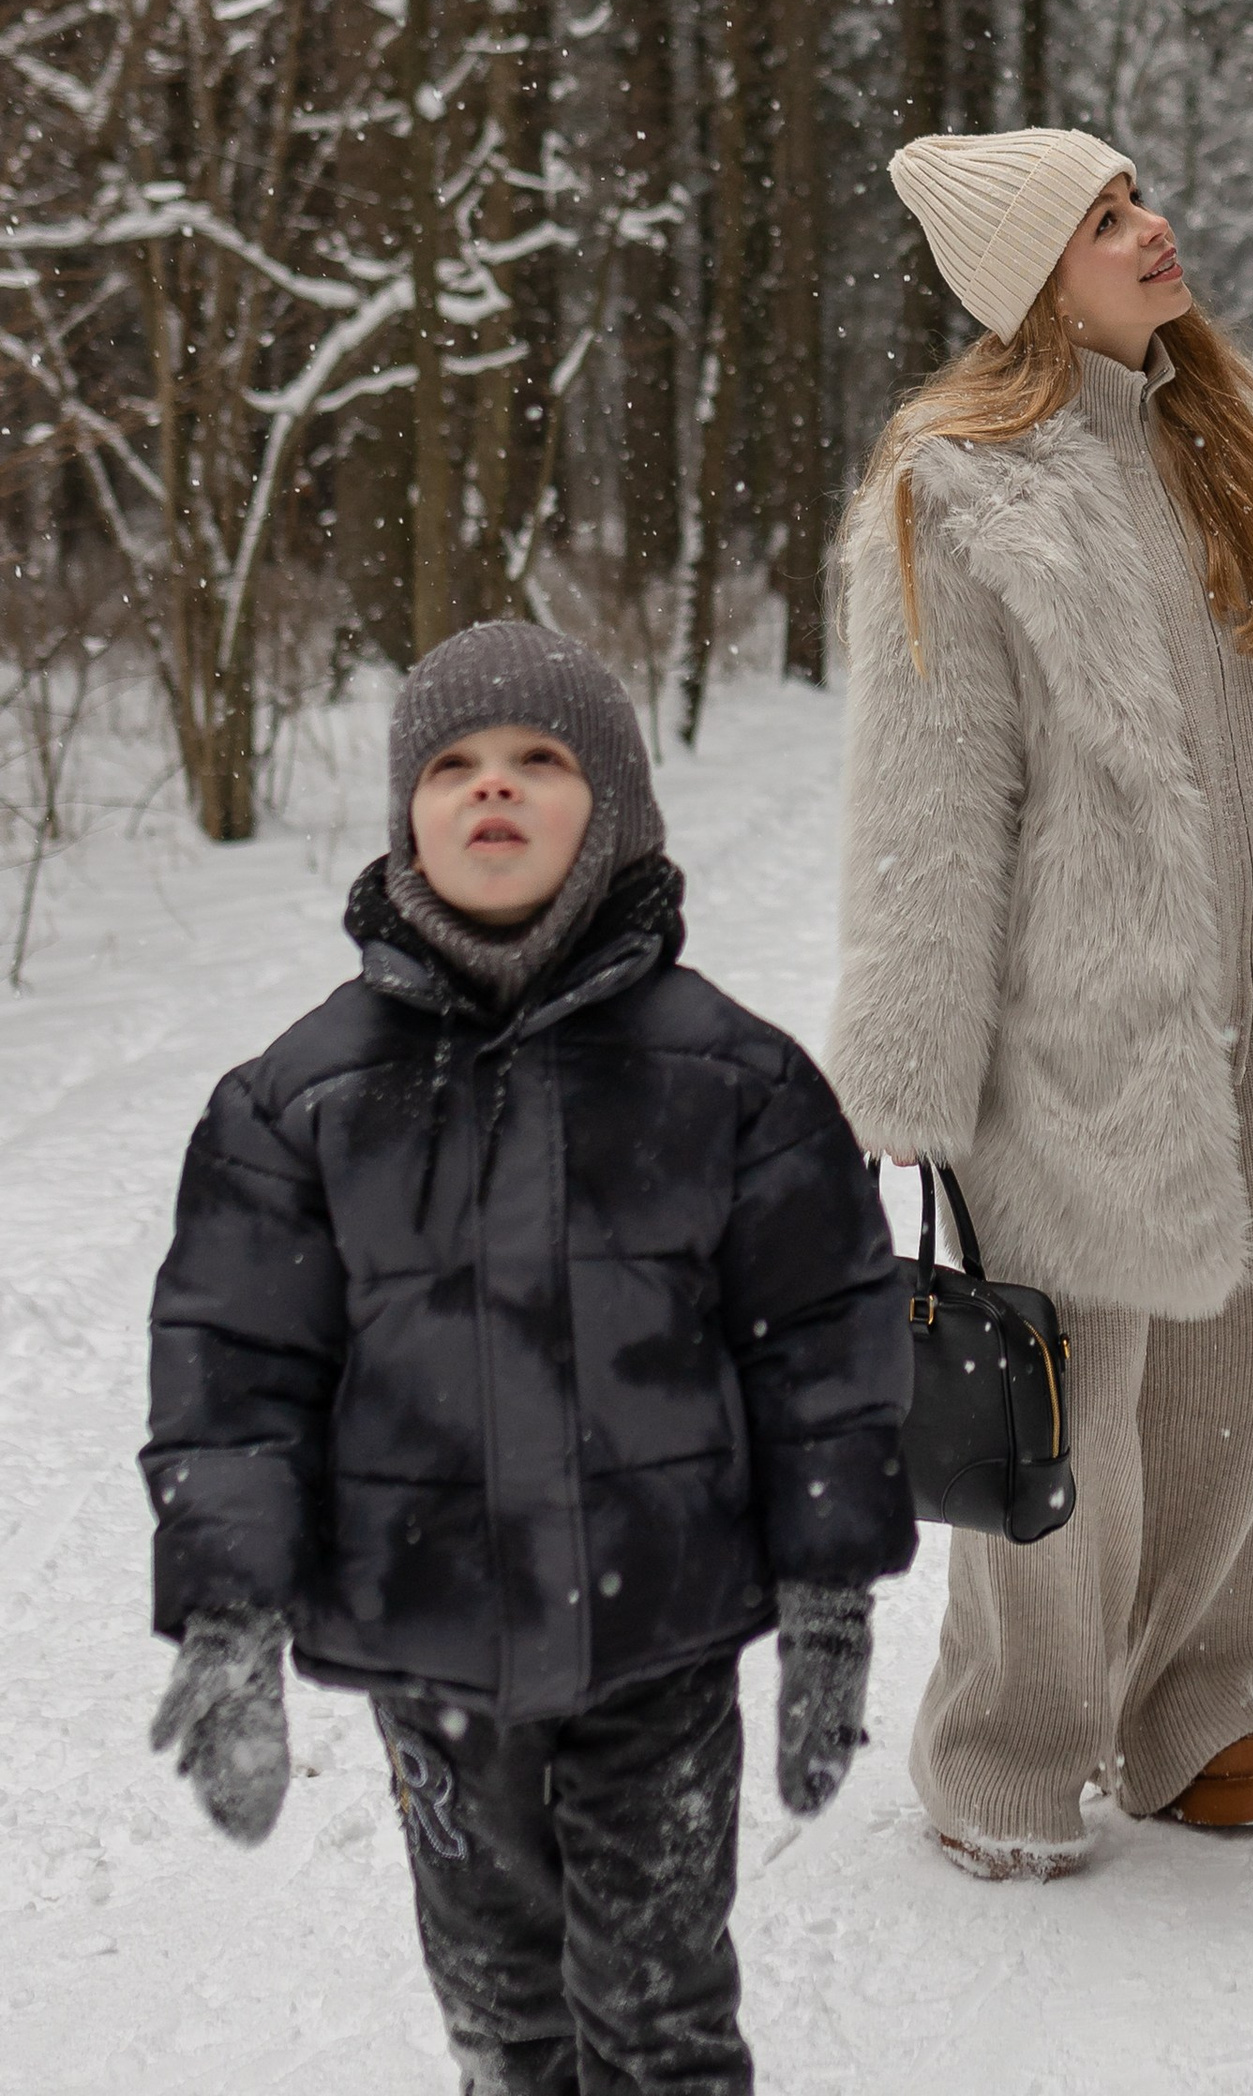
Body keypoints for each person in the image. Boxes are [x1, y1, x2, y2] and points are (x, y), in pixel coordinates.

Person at [828, 126, 1253, 1878]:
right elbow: (928, 795)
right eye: (1104, 220)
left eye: (1138, 198)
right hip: (1081, 1029)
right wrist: (903, 1067)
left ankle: (1191, 1708)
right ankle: (1010, 1745)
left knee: (1237, 1394)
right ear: (1030, 285)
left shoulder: (1240, 435)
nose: (1152, 229)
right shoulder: (957, 487)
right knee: (1067, 1409)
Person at [141, 621, 916, 2096]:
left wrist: (830, 1594)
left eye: (540, 761)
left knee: (662, 2022)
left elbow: (825, 1349)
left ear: (611, 806)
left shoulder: (734, 1084)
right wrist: (229, 1612)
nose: (491, 789)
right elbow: (234, 1377)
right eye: (453, 765)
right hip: (430, 1665)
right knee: (506, 2018)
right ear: (407, 818)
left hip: (659, 1649)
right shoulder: (298, 1103)